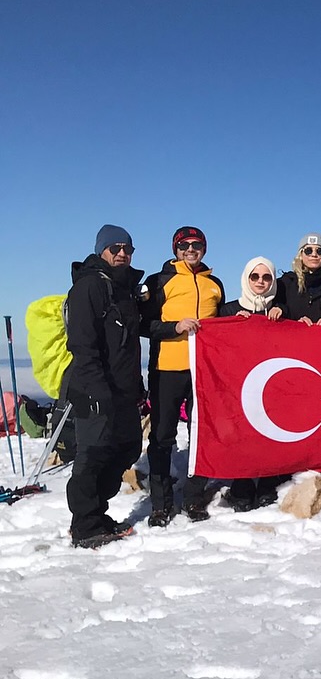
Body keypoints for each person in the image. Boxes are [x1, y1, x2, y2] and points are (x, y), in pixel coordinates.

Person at [64, 225, 145, 548]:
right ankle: (85, 524)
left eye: (127, 248)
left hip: (123, 389)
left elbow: (127, 346)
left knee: (127, 448)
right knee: (93, 455)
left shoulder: (122, 288)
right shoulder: (89, 287)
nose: (122, 253)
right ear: (101, 251)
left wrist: (136, 386)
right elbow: (83, 345)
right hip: (93, 388)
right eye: (115, 248)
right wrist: (97, 391)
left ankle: (97, 513)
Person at [141, 226, 226, 526]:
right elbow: (143, 324)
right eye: (184, 245)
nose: (191, 249)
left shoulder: (214, 283)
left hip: (203, 372)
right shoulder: (159, 281)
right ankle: (161, 505)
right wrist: (173, 327)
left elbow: (222, 325)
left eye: (197, 245)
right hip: (167, 369)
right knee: (163, 437)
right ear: (175, 249)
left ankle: (193, 498)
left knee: (200, 435)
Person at [217, 257, 286, 511]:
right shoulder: (228, 309)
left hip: (270, 385)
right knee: (242, 432)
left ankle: (268, 482)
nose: (260, 282)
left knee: (269, 432)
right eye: (255, 277)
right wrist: (232, 324)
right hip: (238, 384)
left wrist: (284, 315)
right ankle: (242, 485)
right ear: (246, 279)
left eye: (266, 277)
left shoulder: (280, 310)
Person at [275, 233, 321, 324]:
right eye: (308, 250)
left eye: (320, 251)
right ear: (301, 254)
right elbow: (266, 307)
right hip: (293, 336)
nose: (314, 254)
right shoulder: (285, 283)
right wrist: (281, 309)